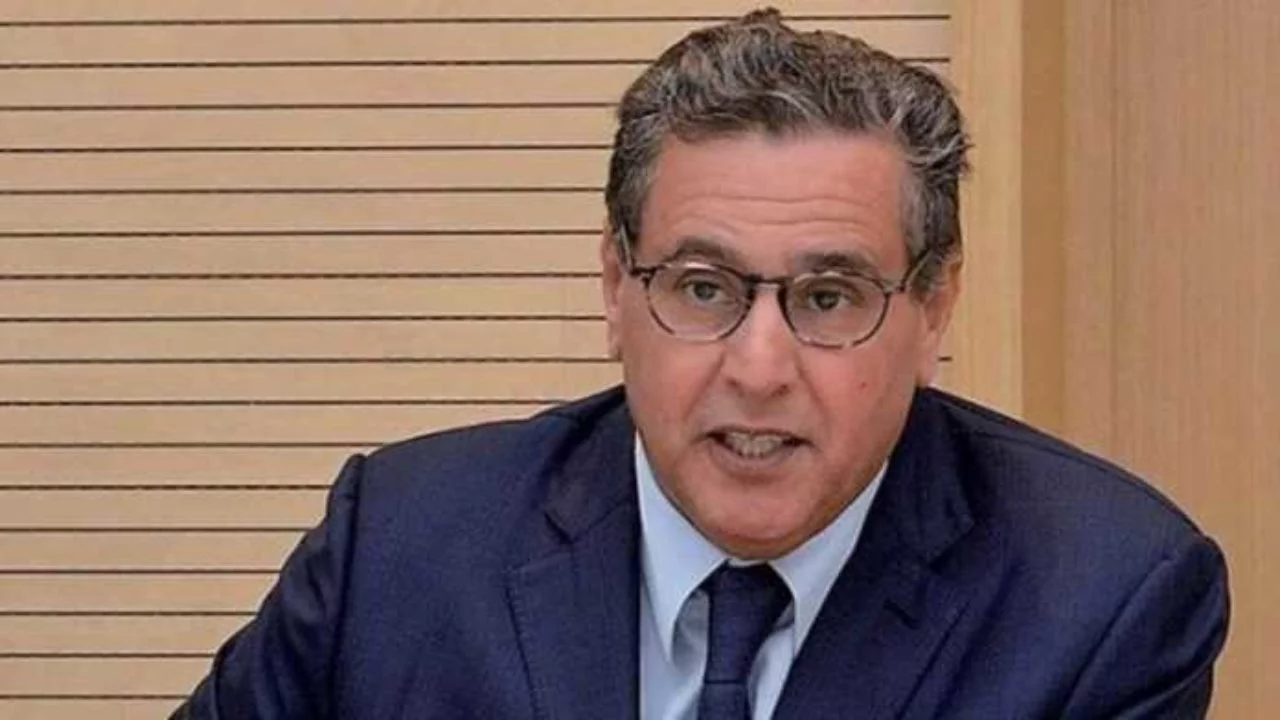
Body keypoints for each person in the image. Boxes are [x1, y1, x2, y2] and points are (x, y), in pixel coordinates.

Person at [173, 8, 1229, 719]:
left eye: (827, 298)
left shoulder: (1101, 601)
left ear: (932, 306)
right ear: (614, 288)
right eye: (702, 289)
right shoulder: (401, 546)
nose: (758, 369)